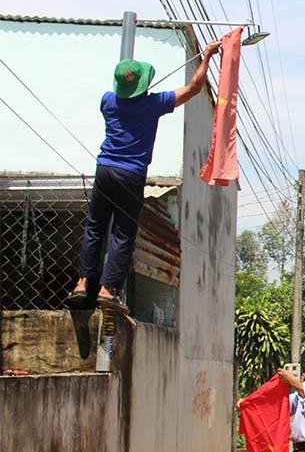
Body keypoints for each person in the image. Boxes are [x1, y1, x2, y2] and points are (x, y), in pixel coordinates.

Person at [66, 41, 222, 313]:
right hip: (131, 174)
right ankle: (107, 289)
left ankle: (81, 283)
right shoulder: (153, 103)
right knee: (122, 232)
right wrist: (206, 57)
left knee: (95, 227)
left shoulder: (107, 101)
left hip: (104, 170)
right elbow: (194, 88)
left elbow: (124, 99)